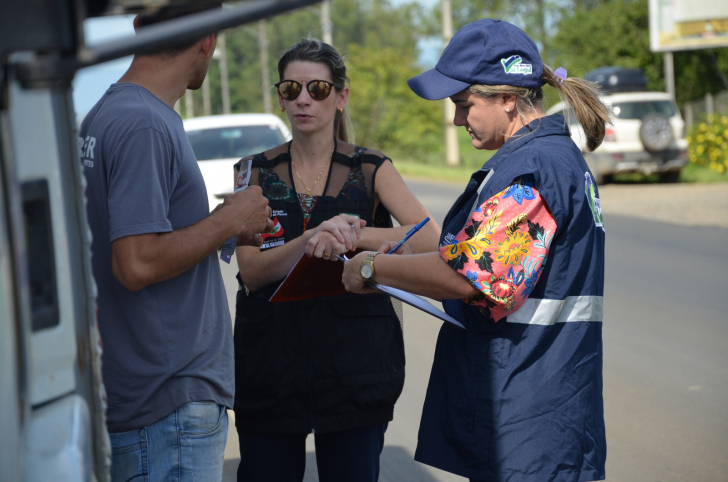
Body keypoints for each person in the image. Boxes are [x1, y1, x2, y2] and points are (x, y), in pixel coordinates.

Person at [342, 19, 610, 482]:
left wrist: (370, 269)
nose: (457, 119)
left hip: (530, 422)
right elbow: (468, 254)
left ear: (507, 98)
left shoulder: (533, 171)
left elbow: (469, 275)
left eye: (464, 104)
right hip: (535, 406)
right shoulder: (542, 160)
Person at [80, 4, 274, 481]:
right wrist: (229, 220)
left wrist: (221, 226)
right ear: (206, 39)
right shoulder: (144, 123)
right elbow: (137, 262)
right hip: (166, 406)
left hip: (146, 397)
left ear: (138, 29)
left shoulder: (109, 112)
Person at [232, 38, 440, 482]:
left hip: (356, 367)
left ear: (341, 96)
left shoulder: (371, 168)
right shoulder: (252, 172)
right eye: (291, 89)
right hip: (270, 367)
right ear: (281, 96)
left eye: (318, 90)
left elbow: (430, 240)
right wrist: (310, 239)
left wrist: (355, 235)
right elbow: (251, 270)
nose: (303, 100)